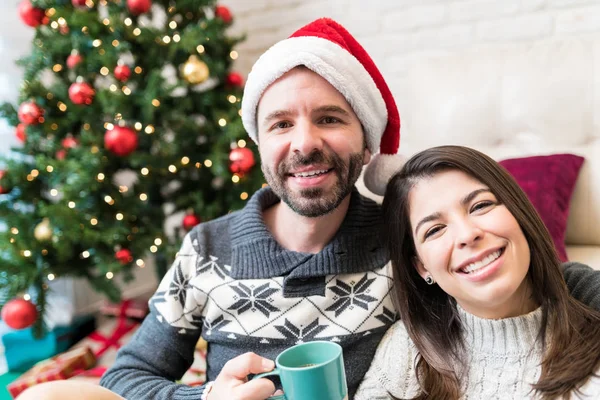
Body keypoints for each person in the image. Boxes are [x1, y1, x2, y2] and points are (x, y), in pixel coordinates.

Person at [18, 19, 600, 400]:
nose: (304, 143)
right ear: (260, 148)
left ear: (367, 142)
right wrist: (206, 397)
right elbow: (129, 376)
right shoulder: (208, 249)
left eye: (329, 119)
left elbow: (535, 286)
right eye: (281, 125)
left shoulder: (405, 240)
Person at [355, 145, 600, 400]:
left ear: (519, 213)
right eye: (434, 230)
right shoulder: (402, 354)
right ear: (422, 267)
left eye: (480, 206)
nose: (467, 234)